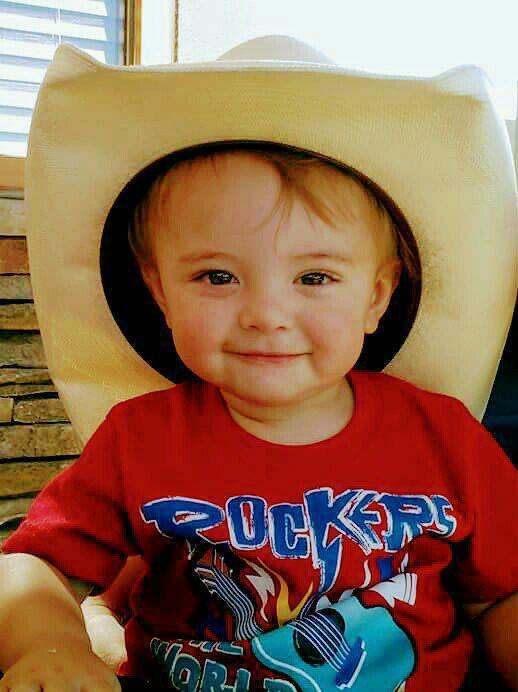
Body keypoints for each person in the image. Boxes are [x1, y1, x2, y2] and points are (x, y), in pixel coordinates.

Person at [0, 35, 518, 692]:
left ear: (376, 297)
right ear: (160, 292)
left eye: (315, 277)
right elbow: (32, 565)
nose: (266, 314)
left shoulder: (445, 439)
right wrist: (50, 645)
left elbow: (501, 596)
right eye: (217, 276)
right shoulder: (140, 440)